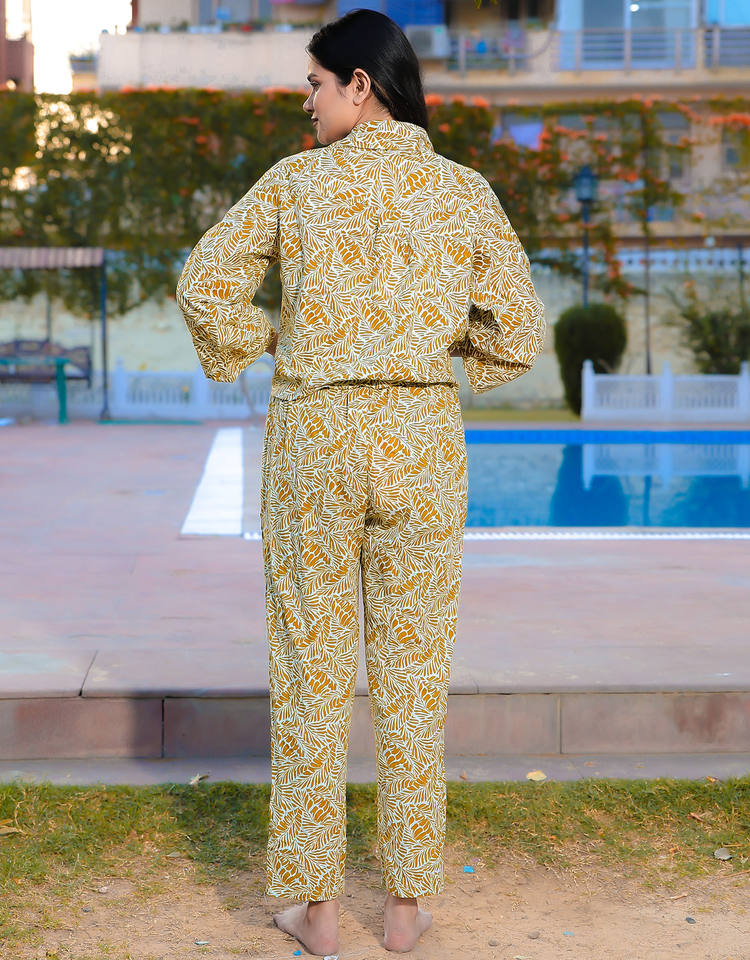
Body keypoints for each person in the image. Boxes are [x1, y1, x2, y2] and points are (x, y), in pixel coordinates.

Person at [176, 9, 545, 956]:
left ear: (359, 84)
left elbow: (204, 284)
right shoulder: (463, 190)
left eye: (314, 83)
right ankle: (407, 907)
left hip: (317, 435)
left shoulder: (295, 183)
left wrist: (274, 340)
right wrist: (433, 351)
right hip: (421, 437)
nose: (306, 102)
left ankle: (318, 910)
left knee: (312, 668)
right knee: (415, 672)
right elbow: (518, 332)